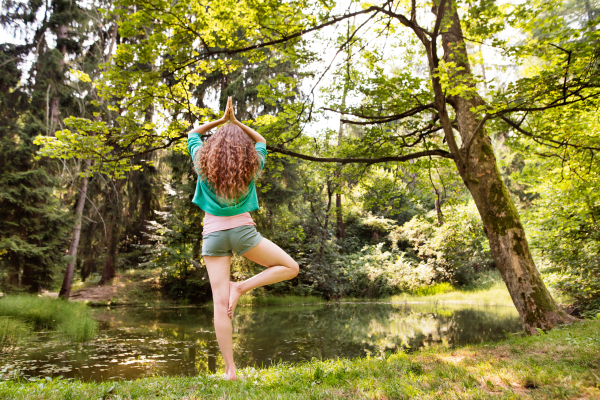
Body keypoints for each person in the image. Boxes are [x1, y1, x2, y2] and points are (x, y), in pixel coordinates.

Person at [187, 97, 299, 381]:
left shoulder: (202, 162)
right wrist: (236, 122)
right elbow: (261, 140)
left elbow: (193, 134)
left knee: (218, 304)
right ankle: (242, 288)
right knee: (290, 268)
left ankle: (230, 371)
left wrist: (221, 122)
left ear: (213, 147)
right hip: (243, 233)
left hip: (213, 236)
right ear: (244, 150)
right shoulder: (252, 165)